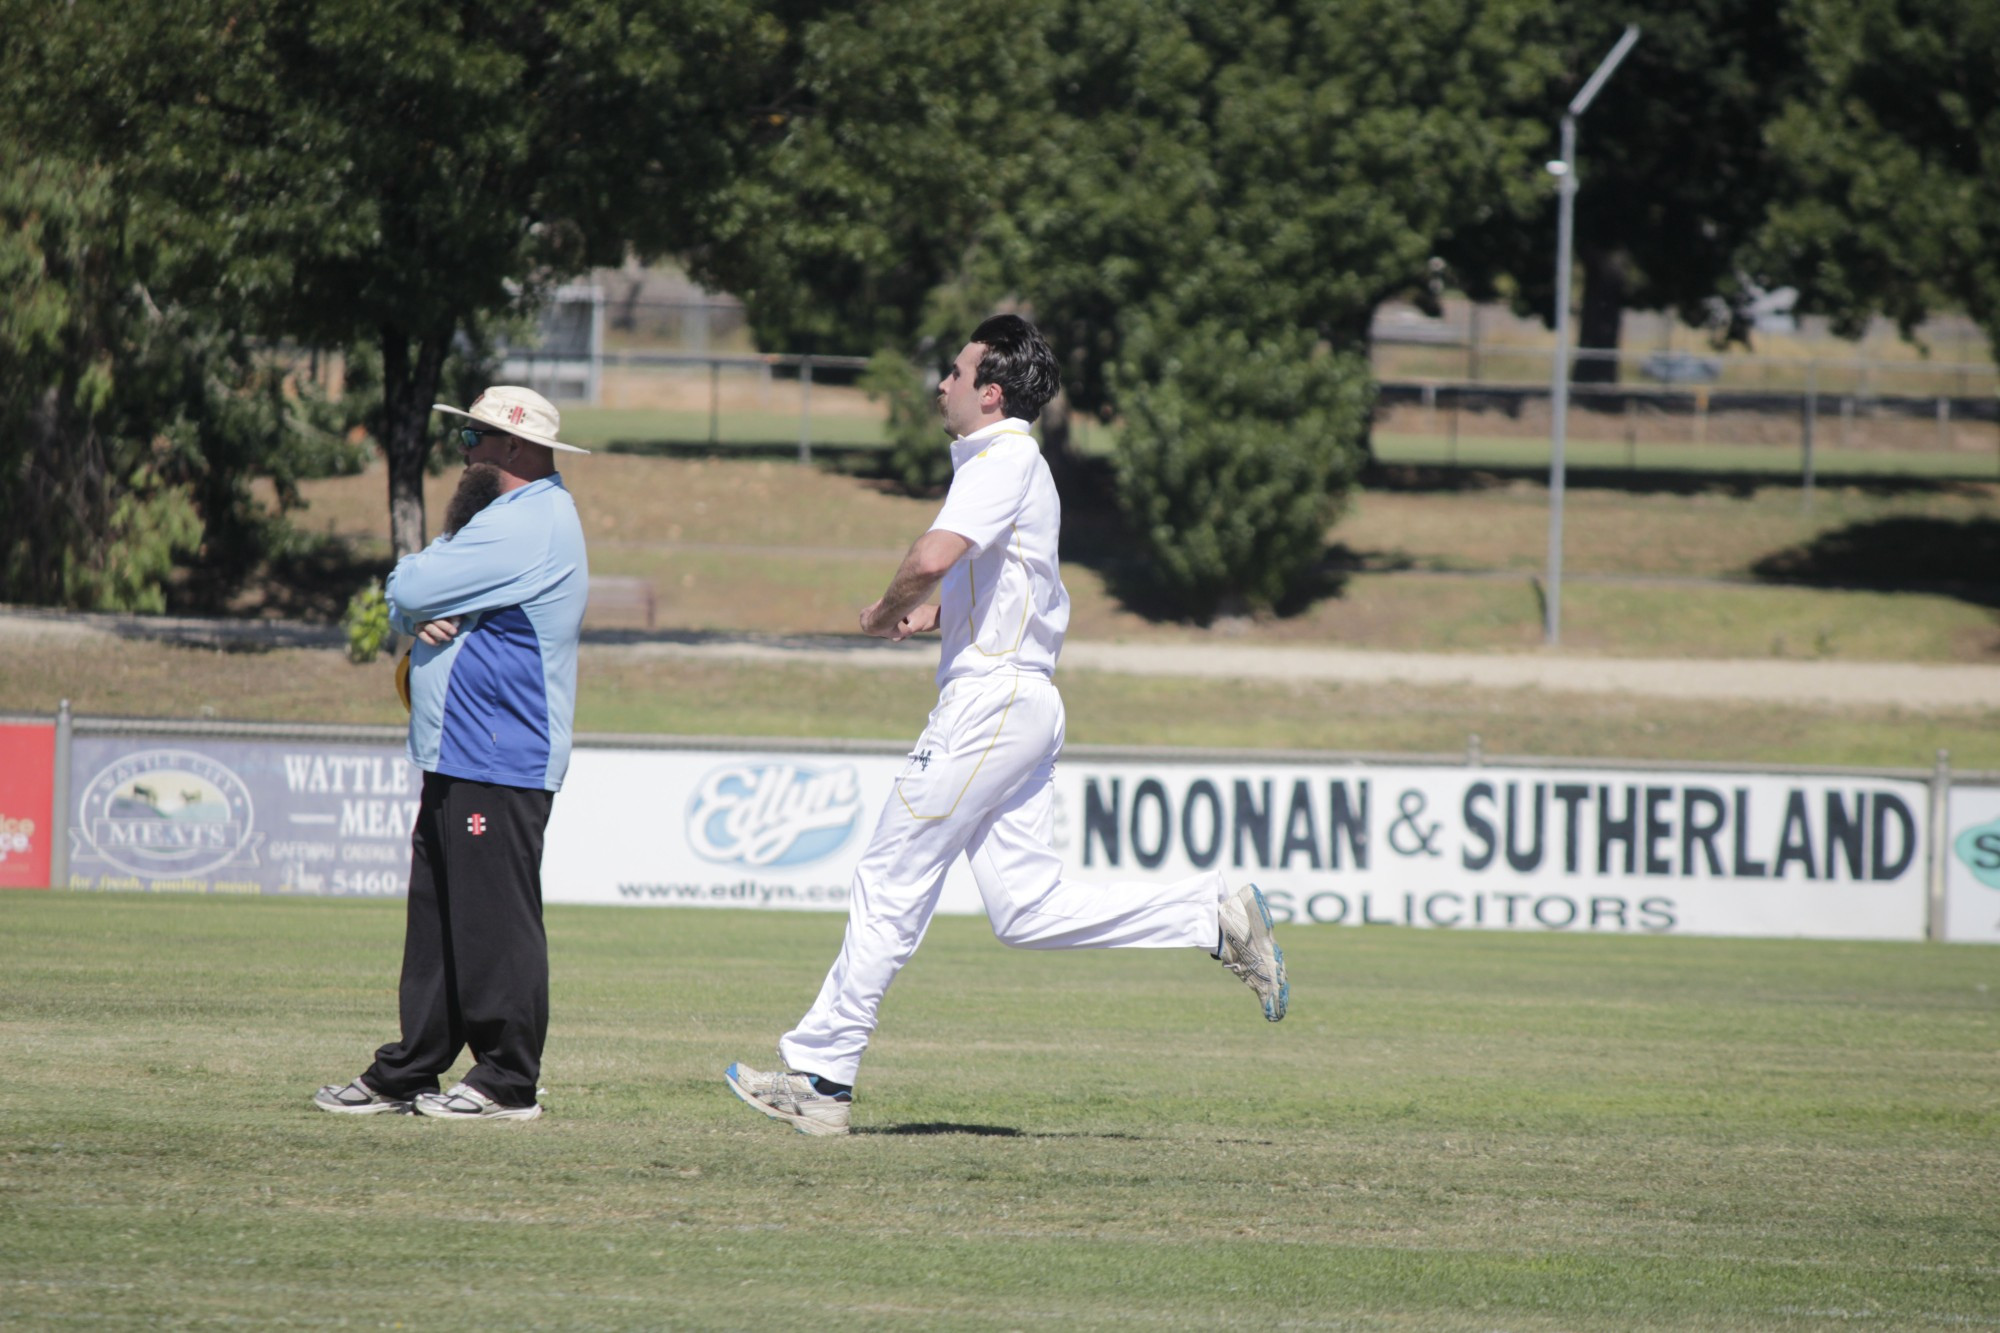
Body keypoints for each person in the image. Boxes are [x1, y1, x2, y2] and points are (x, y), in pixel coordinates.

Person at [726, 315, 1286, 1137]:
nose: (942, 384)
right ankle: (1210, 913)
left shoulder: (1004, 454)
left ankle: (820, 1075)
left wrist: (889, 611)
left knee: (890, 876)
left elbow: (933, 556)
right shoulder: (1014, 463)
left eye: (954, 373)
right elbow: (999, 574)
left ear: (990, 392)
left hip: (989, 704)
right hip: (1021, 702)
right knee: (1026, 909)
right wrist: (934, 622)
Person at [315, 385, 590, 1122]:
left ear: (514, 448)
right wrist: (417, 604)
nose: (463, 452)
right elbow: (411, 597)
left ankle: (507, 1080)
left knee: (494, 919)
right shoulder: (500, 521)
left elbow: (408, 580)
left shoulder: (530, 521)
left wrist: (416, 596)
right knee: (438, 921)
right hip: (463, 751)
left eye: (474, 439)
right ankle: (411, 1068)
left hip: (501, 752)